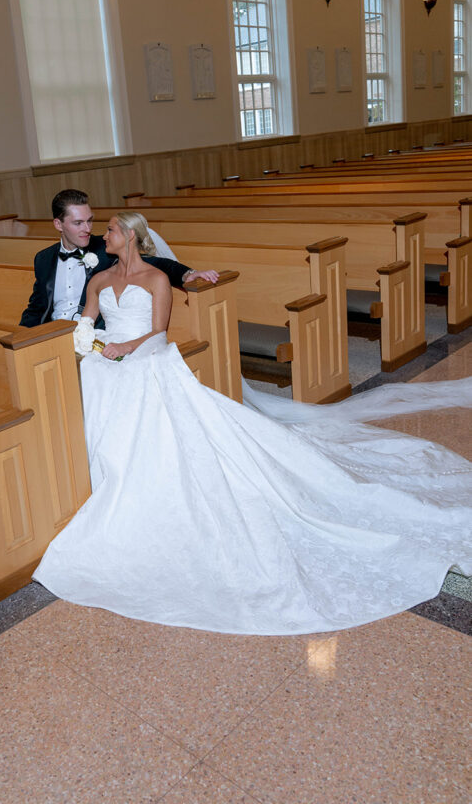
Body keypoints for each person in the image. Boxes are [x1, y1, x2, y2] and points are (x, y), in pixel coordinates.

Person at [33, 211, 472, 636]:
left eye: (108, 229)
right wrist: (88, 342)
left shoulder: (155, 278)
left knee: (136, 381)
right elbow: (86, 321)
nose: (101, 235)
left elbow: (157, 330)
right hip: (108, 352)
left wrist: (126, 346)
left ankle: (136, 474)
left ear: (129, 237)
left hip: (145, 352)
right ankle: (100, 472)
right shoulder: (99, 279)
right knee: (91, 374)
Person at [19, 188, 217, 327]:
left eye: (89, 221)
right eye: (78, 223)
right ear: (58, 224)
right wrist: (22, 335)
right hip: (52, 333)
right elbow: (37, 307)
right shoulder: (43, 259)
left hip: (92, 334)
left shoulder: (104, 248)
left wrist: (188, 273)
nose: (87, 229)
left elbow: (153, 262)